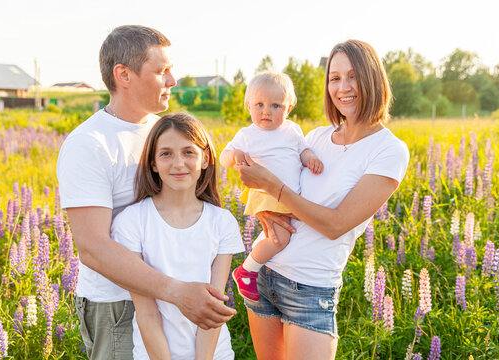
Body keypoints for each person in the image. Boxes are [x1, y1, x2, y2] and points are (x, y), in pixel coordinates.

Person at [56, 25, 236, 359]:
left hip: (180, 304)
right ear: (123, 74)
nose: (173, 81)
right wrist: (176, 292)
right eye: (161, 71)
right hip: (119, 305)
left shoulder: (163, 131)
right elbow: (93, 248)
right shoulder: (90, 144)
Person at [235, 40, 410, 359]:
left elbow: (336, 225)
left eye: (353, 76)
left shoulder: (388, 150)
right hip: (263, 274)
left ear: (373, 78)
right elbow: (272, 182)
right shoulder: (314, 137)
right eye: (334, 78)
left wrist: (274, 189)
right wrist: (265, 211)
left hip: (311, 289)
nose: (343, 87)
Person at [112, 112, 244, 360]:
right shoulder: (132, 222)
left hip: (214, 354)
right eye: (166, 154)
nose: (178, 163)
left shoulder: (221, 222)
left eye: (188, 152)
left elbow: (213, 311)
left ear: (205, 159)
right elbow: (147, 313)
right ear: (153, 163)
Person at [219, 72, 323, 301]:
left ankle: (252, 268)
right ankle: (247, 269)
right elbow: (223, 157)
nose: (266, 111)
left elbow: (302, 150)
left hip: (286, 193)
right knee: (283, 237)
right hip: (265, 192)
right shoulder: (247, 135)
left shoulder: (292, 130)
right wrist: (235, 155)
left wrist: (310, 158)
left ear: (289, 108)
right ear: (248, 106)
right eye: (259, 104)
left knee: (293, 224)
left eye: (275, 105)